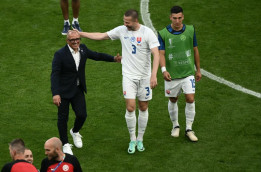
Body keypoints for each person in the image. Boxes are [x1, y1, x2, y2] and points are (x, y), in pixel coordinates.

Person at [77, 9, 160, 154]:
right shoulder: (122, 30)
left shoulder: (147, 33)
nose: (125, 24)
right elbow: (102, 36)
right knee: (130, 108)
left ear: (135, 21)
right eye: (124, 21)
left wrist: (154, 75)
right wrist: (81, 34)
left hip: (145, 77)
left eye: (127, 22)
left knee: (143, 107)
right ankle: (132, 139)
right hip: (128, 76)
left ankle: (140, 139)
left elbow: (156, 54)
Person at [51, 30, 121, 155]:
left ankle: (75, 131)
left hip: (78, 89)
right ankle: (65, 143)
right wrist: (55, 93)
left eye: (77, 39)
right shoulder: (60, 54)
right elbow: (54, 75)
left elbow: (96, 55)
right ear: (67, 41)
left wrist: (114, 59)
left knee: (82, 115)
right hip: (63, 92)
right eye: (72, 40)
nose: (75, 42)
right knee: (63, 118)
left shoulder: (82, 49)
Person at [158, 6, 202, 142]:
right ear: (170, 17)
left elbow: (195, 50)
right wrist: (164, 70)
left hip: (188, 72)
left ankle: (189, 128)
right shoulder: (163, 33)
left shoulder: (190, 30)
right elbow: (161, 53)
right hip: (172, 74)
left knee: (190, 98)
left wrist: (198, 69)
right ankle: (175, 125)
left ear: (183, 17)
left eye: (179, 18)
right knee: (173, 99)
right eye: (174, 18)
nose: (177, 21)